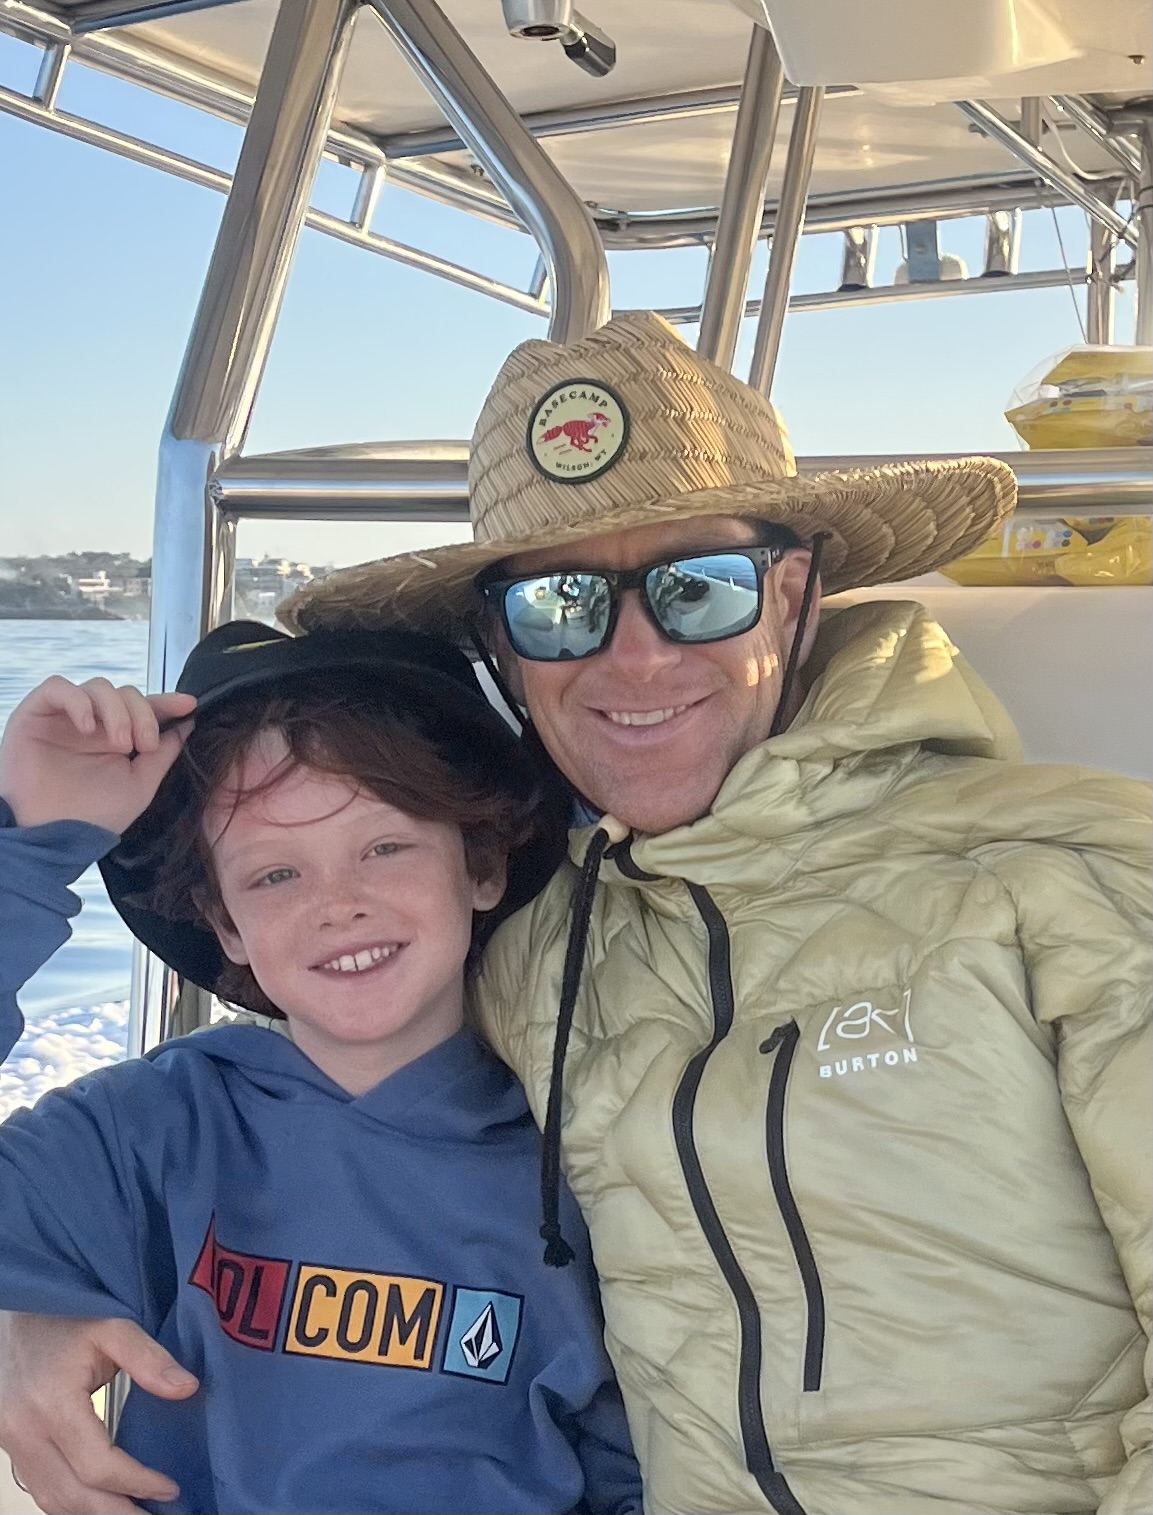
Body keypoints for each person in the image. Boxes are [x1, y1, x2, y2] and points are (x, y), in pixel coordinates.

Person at [1, 311, 1148, 1515]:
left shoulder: (1069, 870)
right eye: (558, 605)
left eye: (695, 588)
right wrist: (38, 1291)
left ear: (792, 590)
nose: (635, 657)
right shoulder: (538, 958)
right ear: (503, 648)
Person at [0, 621, 640, 1515]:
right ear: (224, 924)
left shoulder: (595, 1160)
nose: (339, 905)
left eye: (384, 847)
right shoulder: (158, 1129)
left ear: (482, 863)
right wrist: (33, 843)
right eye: (274, 876)